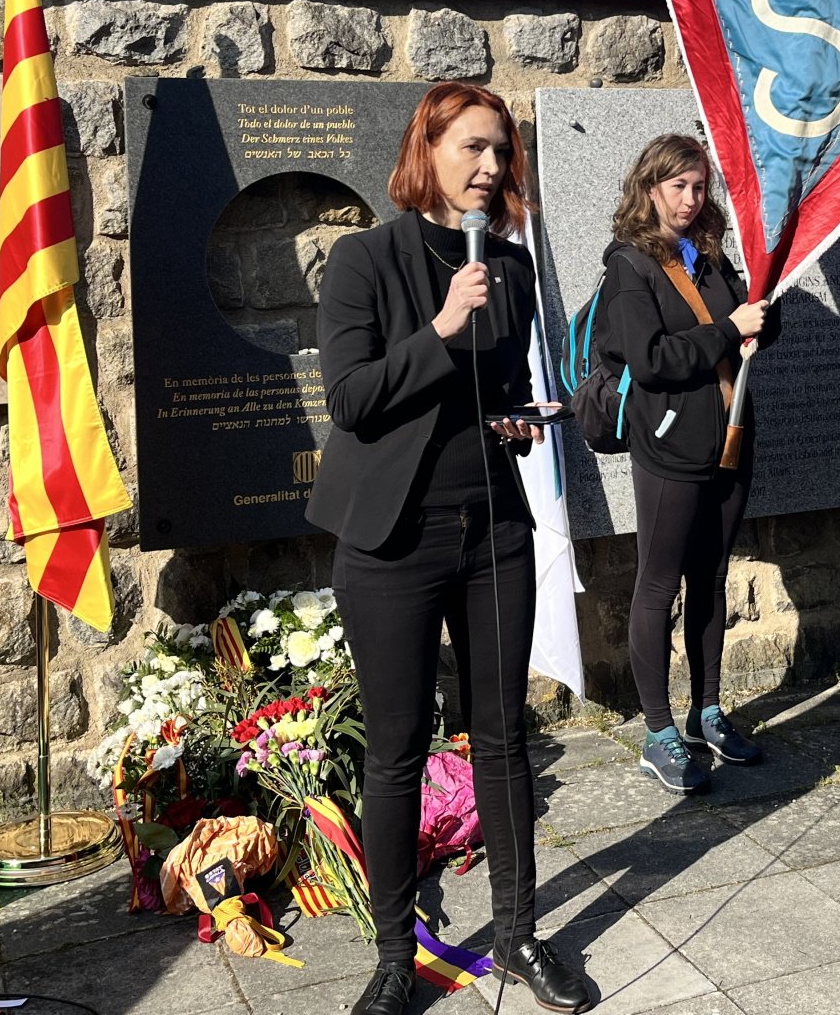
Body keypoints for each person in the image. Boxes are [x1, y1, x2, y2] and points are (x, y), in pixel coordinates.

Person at [306, 83, 591, 1015]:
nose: (492, 168)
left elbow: (492, 389)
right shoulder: (364, 261)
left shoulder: (504, 268)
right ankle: (396, 956)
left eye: (503, 153)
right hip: (393, 542)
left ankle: (517, 933)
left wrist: (519, 418)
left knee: (504, 738)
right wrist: (440, 330)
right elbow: (351, 398)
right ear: (424, 148)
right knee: (396, 751)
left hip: (493, 531)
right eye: (474, 147)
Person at [601, 133, 777, 795]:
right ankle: (658, 731)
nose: (690, 197)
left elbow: (751, 331)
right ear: (651, 187)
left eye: (700, 186)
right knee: (659, 584)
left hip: (730, 440)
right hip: (670, 447)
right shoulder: (631, 264)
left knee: (712, 578)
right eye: (678, 185)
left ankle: (708, 712)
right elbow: (651, 360)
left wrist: (764, 308)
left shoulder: (709, 257)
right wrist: (732, 327)